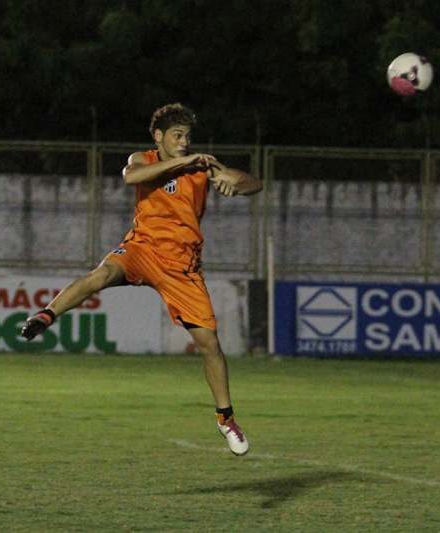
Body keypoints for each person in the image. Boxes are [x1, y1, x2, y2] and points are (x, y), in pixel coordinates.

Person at [20, 103, 262, 455]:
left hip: (182, 265)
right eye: (177, 136)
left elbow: (254, 184)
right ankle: (44, 316)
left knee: (210, 343)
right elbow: (131, 177)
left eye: (188, 137)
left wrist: (233, 182)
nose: (184, 142)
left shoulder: (202, 165)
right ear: (159, 137)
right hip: (142, 249)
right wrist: (183, 162)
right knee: (101, 274)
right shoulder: (144, 159)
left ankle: (226, 420)